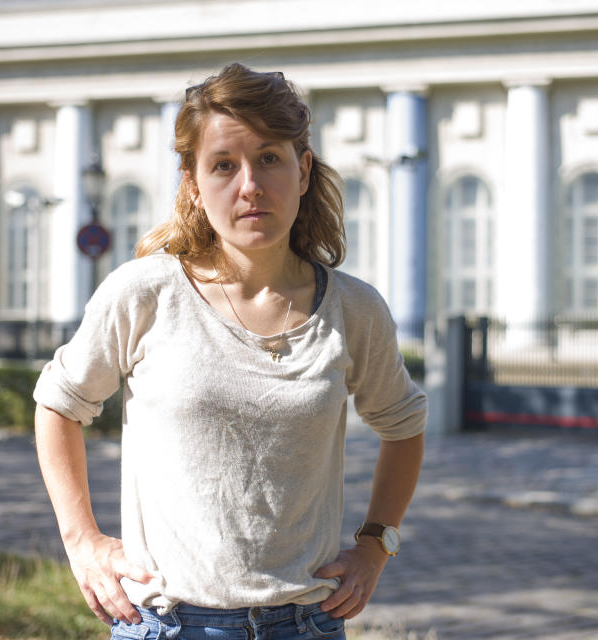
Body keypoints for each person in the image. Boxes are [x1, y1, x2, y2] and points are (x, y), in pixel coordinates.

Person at [33, 62, 426, 640]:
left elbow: (404, 424)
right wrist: (81, 540)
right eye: (223, 165)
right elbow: (59, 404)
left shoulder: (354, 310)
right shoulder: (145, 292)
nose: (250, 185)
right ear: (193, 183)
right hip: (165, 623)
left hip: (306, 624)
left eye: (269, 157)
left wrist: (376, 546)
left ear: (303, 169)